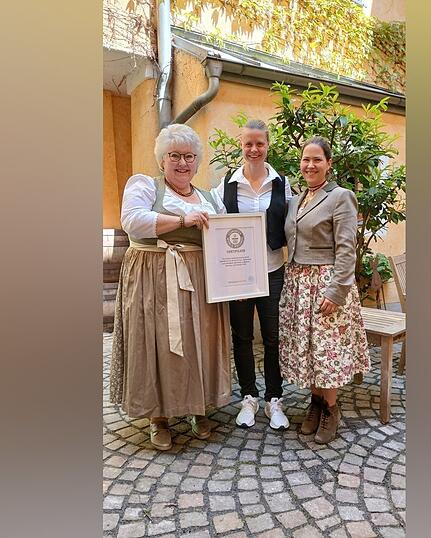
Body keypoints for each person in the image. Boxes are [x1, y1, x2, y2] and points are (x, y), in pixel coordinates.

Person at [108, 123, 232, 451]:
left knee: (195, 343)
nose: (182, 163)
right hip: (153, 277)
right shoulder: (145, 186)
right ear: (162, 159)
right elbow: (132, 220)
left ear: (197, 161)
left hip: (199, 281)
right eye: (174, 155)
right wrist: (182, 221)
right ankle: (157, 418)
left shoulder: (209, 197)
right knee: (155, 344)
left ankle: (196, 407)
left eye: (189, 156)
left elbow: (223, 237)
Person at [278, 136, 370, 444]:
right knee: (310, 350)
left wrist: (336, 291)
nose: (310, 165)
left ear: (328, 164)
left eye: (317, 159)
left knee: (327, 351)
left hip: (326, 283)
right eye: (306, 159)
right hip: (298, 283)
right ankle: (315, 403)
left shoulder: (341, 196)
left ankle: (332, 408)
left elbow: (347, 248)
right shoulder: (296, 199)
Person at [212, 119, 293, 430]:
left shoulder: (282, 184)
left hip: (273, 271)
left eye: (259, 143)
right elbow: (219, 232)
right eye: (248, 143)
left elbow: (292, 227)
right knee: (242, 337)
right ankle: (248, 397)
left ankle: (275, 399)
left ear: (267, 145)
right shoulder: (226, 187)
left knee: (273, 338)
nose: (254, 149)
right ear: (241, 145)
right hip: (239, 277)